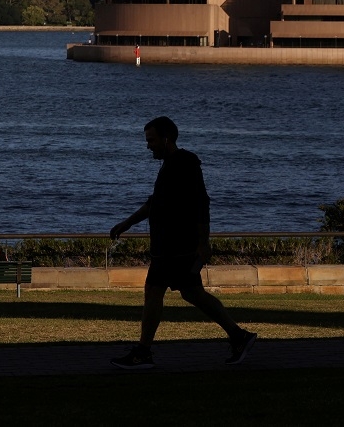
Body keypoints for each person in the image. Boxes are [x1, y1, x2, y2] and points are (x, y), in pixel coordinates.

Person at [109, 116, 257, 370]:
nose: (148, 146)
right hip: (169, 247)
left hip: (176, 248)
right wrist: (127, 223)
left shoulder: (185, 163)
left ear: (167, 138)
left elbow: (201, 203)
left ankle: (143, 352)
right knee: (192, 293)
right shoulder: (169, 166)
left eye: (152, 140)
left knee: (155, 292)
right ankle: (239, 336)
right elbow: (154, 203)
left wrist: (204, 242)